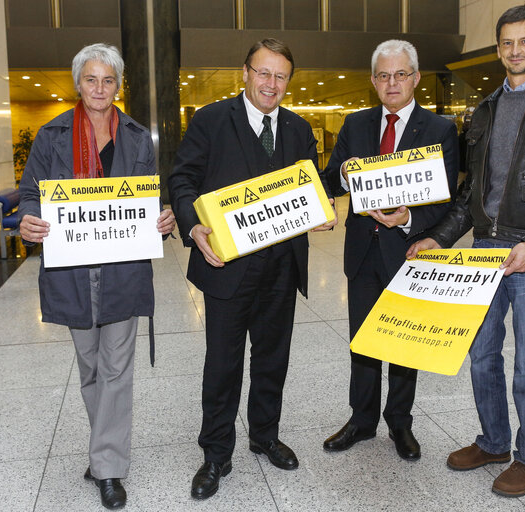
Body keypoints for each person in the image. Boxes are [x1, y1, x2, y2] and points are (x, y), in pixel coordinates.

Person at [407, 5, 525, 497]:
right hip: (482, 254)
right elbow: (474, 194)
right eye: (507, 43)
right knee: (481, 356)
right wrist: (440, 238)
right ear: (498, 49)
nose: (515, 51)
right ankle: (493, 442)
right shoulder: (487, 108)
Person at [168, 38, 336, 500]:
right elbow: (181, 178)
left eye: (281, 76)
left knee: (271, 360)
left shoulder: (301, 129)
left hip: (281, 268)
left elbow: (311, 184)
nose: (271, 84)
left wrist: (323, 208)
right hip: (226, 268)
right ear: (245, 73)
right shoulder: (210, 120)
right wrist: (192, 225)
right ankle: (216, 452)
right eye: (263, 73)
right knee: (222, 365)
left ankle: (265, 435)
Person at [18, 43, 175, 510]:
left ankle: (108, 467)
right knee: (90, 369)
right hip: (71, 273)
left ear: (119, 85)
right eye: (91, 79)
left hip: (123, 272)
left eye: (108, 80)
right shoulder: (51, 137)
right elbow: (31, 195)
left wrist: (162, 221)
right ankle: (104, 448)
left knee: (115, 369)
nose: (99, 88)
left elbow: (151, 203)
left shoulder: (136, 137)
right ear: (78, 83)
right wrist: (29, 220)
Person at [322, 40, 458, 461]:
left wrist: (409, 219)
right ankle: (362, 421)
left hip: (408, 251)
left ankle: (399, 421)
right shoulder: (355, 124)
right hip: (362, 251)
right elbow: (329, 180)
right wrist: (344, 176)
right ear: (373, 81)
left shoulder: (439, 130)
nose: (392, 82)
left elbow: (446, 198)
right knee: (363, 343)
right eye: (384, 75)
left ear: (415, 78)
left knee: (403, 343)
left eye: (400, 74)